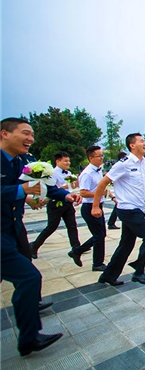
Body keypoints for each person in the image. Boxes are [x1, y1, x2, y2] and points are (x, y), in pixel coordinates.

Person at [1, 117, 81, 356]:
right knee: (29, 278)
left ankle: (28, 333)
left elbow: (44, 185)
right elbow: (22, 188)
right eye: (26, 133)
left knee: (25, 277)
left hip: (13, 229)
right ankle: (28, 338)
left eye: (32, 135)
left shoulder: (23, 162)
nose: (31, 139)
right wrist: (21, 191)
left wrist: (65, 195)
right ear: (4, 133)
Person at [91, 133, 145, 286]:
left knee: (126, 245)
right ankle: (138, 271)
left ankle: (108, 276)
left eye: (144, 141)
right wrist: (95, 206)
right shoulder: (123, 164)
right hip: (127, 209)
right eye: (141, 141)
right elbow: (103, 183)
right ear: (132, 145)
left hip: (138, 209)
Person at [29, 151, 85, 259]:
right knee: (52, 226)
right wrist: (65, 186)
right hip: (55, 203)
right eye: (65, 161)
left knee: (72, 225)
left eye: (69, 161)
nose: (68, 163)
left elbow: (72, 186)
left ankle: (76, 248)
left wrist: (76, 182)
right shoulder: (52, 173)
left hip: (67, 201)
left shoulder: (68, 173)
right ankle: (34, 246)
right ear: (58, 161)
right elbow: (53, 188)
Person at [71, 145, 109, 271]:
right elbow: (83, 192)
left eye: (102, 155)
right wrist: (100, 194)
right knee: (99, 235)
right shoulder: (87, 173)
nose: (102, 158)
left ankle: (77, 251)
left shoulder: (98, 170)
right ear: (91, 158)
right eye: (99, 156)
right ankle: (97, 263)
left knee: (101, 234)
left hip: (98, 205)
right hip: (90, 207)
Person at [106, 151, 127, 230]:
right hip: (121, 191)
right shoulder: (119, 166)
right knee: (119, 206)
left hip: (123, 191)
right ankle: (111, 223)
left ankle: (111, 222)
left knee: (118, 206)